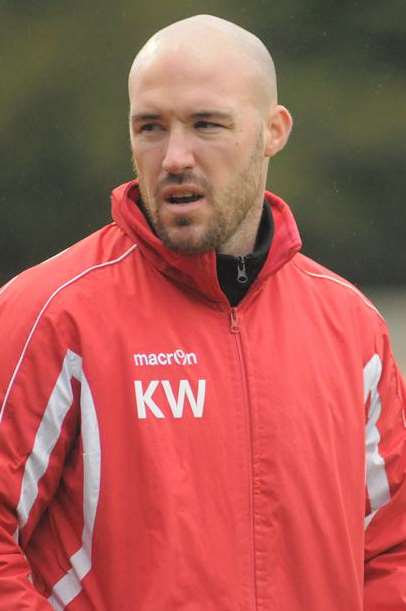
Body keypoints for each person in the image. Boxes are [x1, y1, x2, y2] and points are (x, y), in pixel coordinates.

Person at [0, 14, 405, 611]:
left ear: (274, 130)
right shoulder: (48, 313)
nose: (174, 157)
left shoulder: (353, 328)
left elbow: (391, 549)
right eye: (151, 128)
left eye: (206, 124)